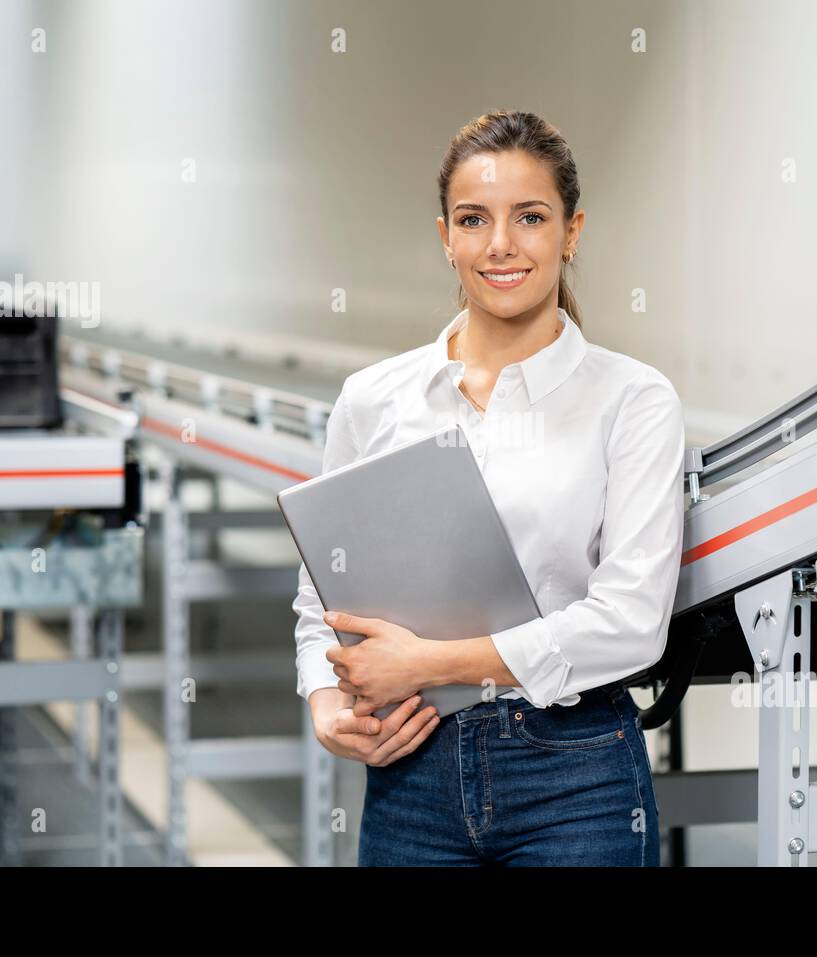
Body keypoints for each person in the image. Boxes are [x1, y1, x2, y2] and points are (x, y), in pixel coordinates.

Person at [292, 110, 685, 866]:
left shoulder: (631, 400)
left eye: (530, 217)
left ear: (571, 233)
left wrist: (433, 662)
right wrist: (326, 703)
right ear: (446, 237)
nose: (500, 243)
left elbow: (633, 621)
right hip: (414, 771)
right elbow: (322, 596)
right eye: (474, 219)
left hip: (576, 775)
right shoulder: (375, 399)